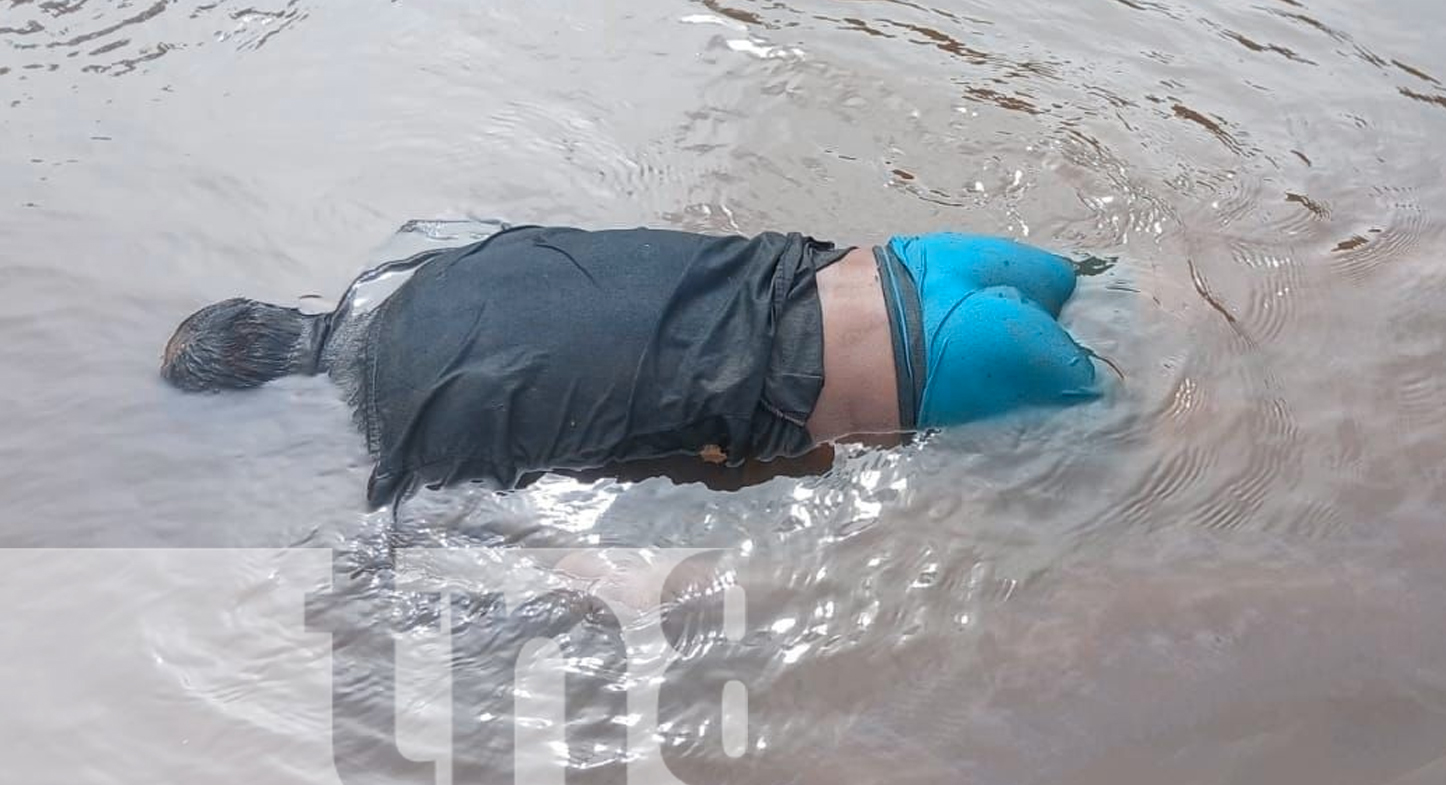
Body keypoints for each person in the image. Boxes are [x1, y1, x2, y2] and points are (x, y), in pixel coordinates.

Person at [161, 225, 1106, 507]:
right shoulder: (433, 261)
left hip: (947, 368)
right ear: (281, 306)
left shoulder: (411, 440)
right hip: (929, 259)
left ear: (266, 396)